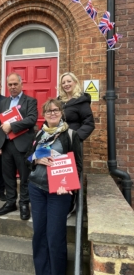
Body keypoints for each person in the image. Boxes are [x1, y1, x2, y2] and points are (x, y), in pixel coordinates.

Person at [25, 98, 82, 275]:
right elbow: (28, 158)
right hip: (36, 188)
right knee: (39, 234)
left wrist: (70, 187)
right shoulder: (39, 134)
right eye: (49, 111)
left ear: (61, 112)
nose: (52, 113)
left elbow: (78, 166)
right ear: (44, 114)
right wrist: (35, 159)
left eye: (56, 110)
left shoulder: (71, 135)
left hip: (59, 192)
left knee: (55, 236)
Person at [0, 73, 38, 220]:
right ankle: (10, 202)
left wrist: (12, 126)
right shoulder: (3, 103)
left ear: (21, 84)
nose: (12, 87)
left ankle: (24, 203)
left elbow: (32, 119)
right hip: (6, 144)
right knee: (8, 176)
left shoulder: (30, 101)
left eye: (15, 84)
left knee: (25, 176)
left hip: (23, 144)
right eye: (10, 85)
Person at [59, 72, 95, 217]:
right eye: (63, 82)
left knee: (71, 173)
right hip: (59, 142)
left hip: (72, 143)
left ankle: (70, 204)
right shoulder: (59, 101)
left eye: (69, 81)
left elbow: (89, 123)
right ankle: (60, 201)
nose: (66, 84)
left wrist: (75, 138)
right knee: (60, 172)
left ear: (75, 82)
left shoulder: (81, 101)